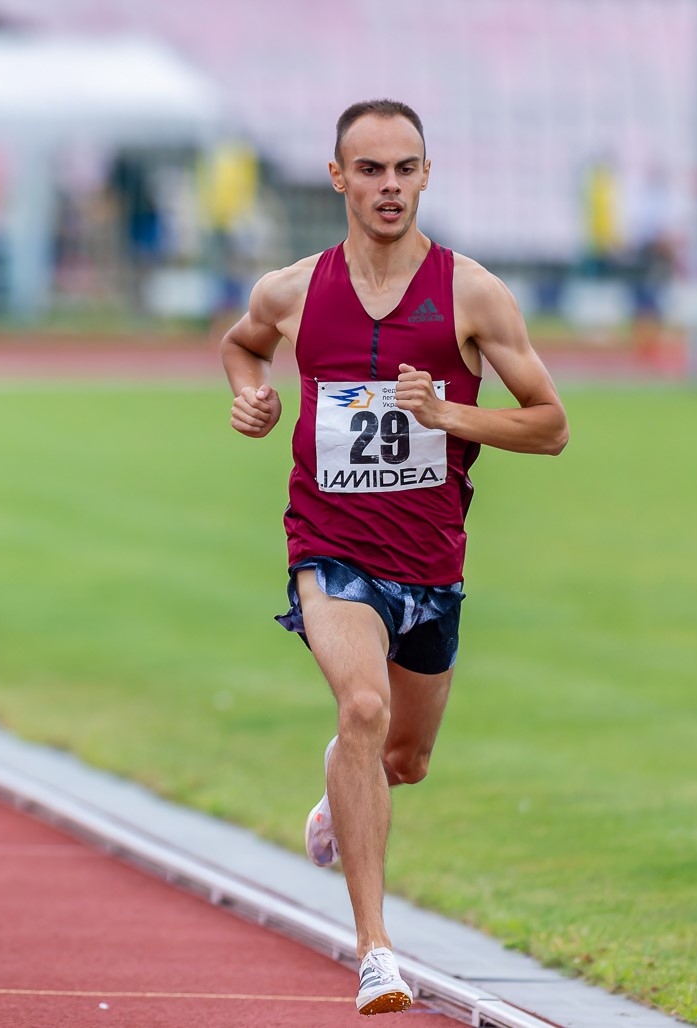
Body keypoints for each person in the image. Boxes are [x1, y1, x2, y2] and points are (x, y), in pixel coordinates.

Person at [220, 99, 569, 1016]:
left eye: (404, 169)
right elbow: (242, 346)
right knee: (364, 701)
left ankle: (348, 774)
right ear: (337, 178)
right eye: (369, 170)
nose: (388, 187)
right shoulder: (292, 290)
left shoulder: (473, 294)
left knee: (401, 758)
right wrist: (251, 396)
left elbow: (551, 424)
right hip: (329, 546)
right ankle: (376, 949)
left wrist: (450, 414)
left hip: (430, 560)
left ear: (426, 176)